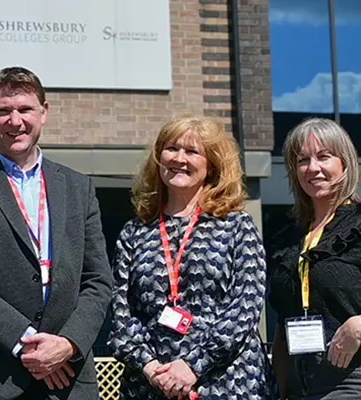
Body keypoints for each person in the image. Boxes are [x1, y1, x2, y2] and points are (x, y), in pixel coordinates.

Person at [0, 66, 113, 400]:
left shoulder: (79, 188)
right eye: (3, 111)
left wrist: (68, 344)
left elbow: (98, 282)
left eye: (25, 109)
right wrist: (26, 343)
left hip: (67, 379)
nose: (15, 121)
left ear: (44, 113)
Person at [107, 115, 275, 399]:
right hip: (151, 386)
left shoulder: (236, 225)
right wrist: (150, 368)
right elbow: (119, 310)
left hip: (227, 382)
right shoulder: (135, 231)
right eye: (171, 148)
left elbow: (246, 305)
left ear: (211, 166)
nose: (179, 158)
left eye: (192, 151)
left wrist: (193, 366)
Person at [269, 118, 361, 399]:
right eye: (302, 160)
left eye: (324, 157)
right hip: (299, 383)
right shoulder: (289, 238)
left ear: (344, 163)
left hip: (351, 380)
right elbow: (283, 321)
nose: (313, 168)